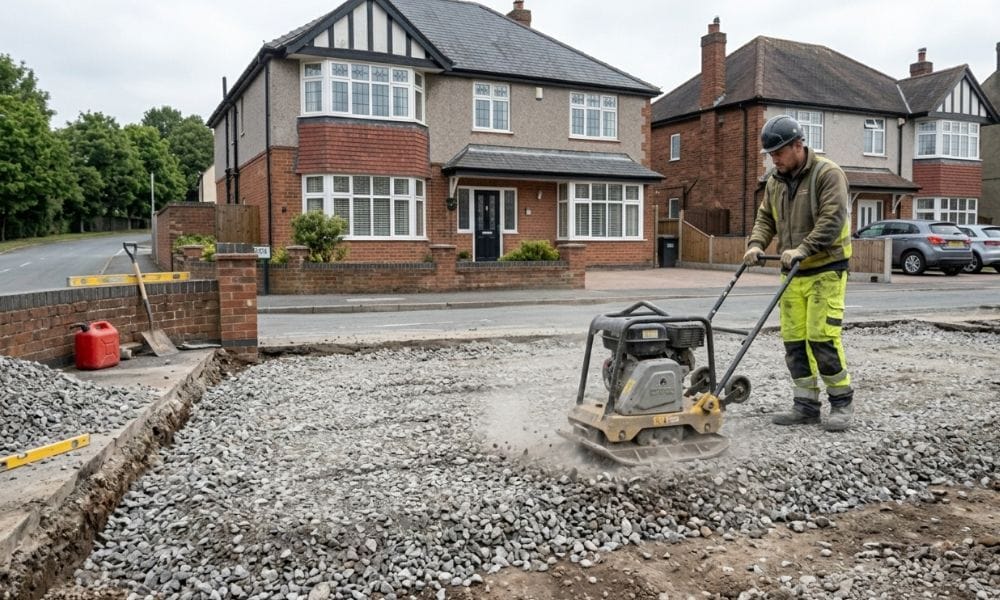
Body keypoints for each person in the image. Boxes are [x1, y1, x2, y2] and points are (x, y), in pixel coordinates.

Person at [743, 115, 854, 431]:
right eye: (770, 154)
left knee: (822, 338)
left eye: (778, 152)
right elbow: (766, 218)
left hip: (826, 269)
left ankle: (842, 404)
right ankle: (805, 406)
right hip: (792, 272)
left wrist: (803, 249)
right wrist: (755, 244)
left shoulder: (827, 174)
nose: (774, 159)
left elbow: (832, 220)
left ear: (797, 145)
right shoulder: (776, 181)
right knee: (793, 340)